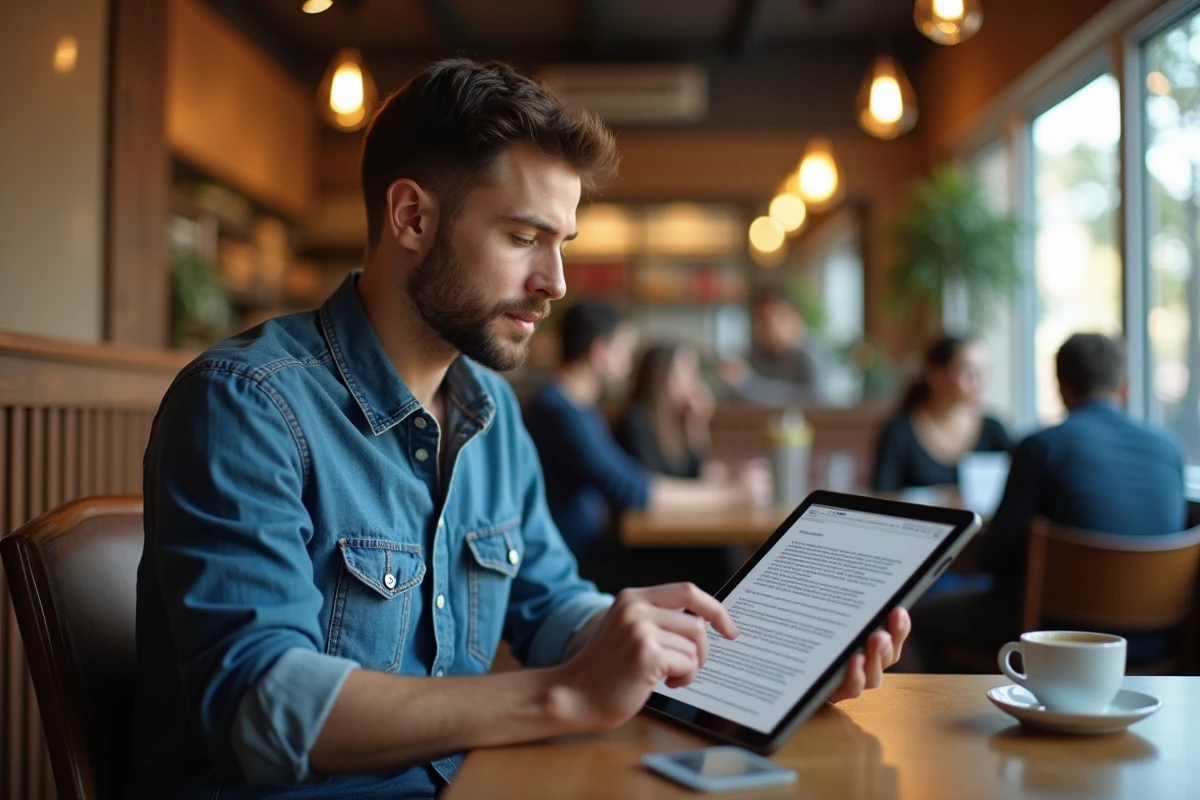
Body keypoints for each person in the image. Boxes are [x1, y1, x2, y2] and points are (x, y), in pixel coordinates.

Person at [130, 59, 909, 799]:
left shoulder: (492, 415)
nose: (556, 283)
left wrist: (735, 667)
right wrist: (562, 696)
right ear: (411, 217)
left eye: (561, 244)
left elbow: (552, 605)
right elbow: (259, 704)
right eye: (523, 237)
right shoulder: (246, 404)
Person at [911, 333, 1187, 671]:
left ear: (1062, 389)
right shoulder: (1170, 448)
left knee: (919, 616)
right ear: (1125, 388)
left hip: (1052, 634)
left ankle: (959, 704)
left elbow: (994, 558)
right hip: (1155, 637)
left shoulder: (1042, 447)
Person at [524, 302, 769, 589]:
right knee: (711, 561)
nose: (629, 363)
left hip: (586, 552)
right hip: (575, 564)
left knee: (714, 554)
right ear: (600, 352)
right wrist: (732, 494)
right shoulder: (559, 411)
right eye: (625, 350)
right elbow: (635, 489)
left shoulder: (576, 408)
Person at [871, 335, 1010, 492]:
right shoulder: (899, 433)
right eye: (970, 373)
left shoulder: (994, 432)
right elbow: (882, 495)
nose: (980, 382)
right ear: (936, 376)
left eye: (984, 372)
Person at [615, 343, 719, 480]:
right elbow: (653, 484)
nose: (694, 384)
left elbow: (694, 473)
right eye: (688, 374)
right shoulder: (636, 423)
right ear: (662, 378)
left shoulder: (678, 420)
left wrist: (697, 423)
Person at [719, 287, 824, 405]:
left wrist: (747, 383)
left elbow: (813, 399)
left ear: (798, 318)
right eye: (763, 318)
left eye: (781, 317)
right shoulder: (753, 358)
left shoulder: (813, 356)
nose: (772, 325)